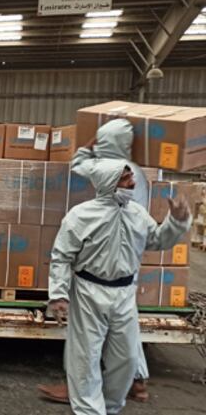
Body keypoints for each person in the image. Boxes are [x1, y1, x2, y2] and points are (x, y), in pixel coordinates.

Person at [47, 159, 190, 415]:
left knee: (126, 359)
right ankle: (90, 411)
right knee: (85, 358)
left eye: (131, 178)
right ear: (108, 183)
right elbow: (61, 256)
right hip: (89, 292)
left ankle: (110, 407)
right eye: (125, 179)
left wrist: (177, 222)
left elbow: (157, 240)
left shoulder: (137, 213)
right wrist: (58, 294)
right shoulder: (80, 216)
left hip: (124, 294)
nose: (132, 183)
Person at [39, 119, 151, 403]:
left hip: (104, 265)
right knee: (124, 332)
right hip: (126, 259)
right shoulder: (135, 171)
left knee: (86, 340)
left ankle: (78, 387)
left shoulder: (110, 170)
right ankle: (137, 382)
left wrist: (86, 148)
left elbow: (79, 165)